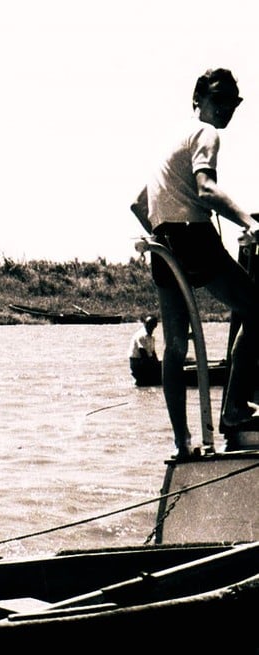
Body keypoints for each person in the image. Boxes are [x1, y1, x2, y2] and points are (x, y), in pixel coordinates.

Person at [131, 67, 259, 458]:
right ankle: (234, 410)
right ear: (198, 99)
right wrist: (249, 222)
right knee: (257, 310)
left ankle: (183, 443)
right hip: (192, 237)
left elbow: (138, 204)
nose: (227, 108)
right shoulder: (206, 133)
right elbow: (206, 189)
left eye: (234, 102)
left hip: (163, 245)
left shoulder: (172, 141)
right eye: (219, 99)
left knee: (174, 346)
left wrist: (164, 234)